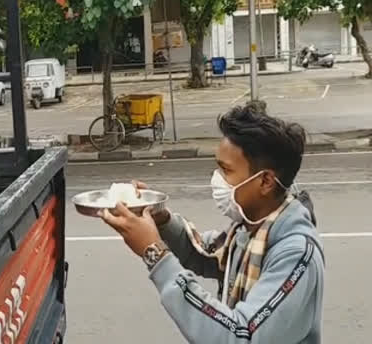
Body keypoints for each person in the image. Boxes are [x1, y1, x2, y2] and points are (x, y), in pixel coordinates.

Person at [100, 102, 324, 343]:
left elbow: (241, 335)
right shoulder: (250, 227)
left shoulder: (297, 255)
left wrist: (155, 252)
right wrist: (160, 219)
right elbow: (207, 254)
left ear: (266, 181)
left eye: (226, 171)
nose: (217, 179)